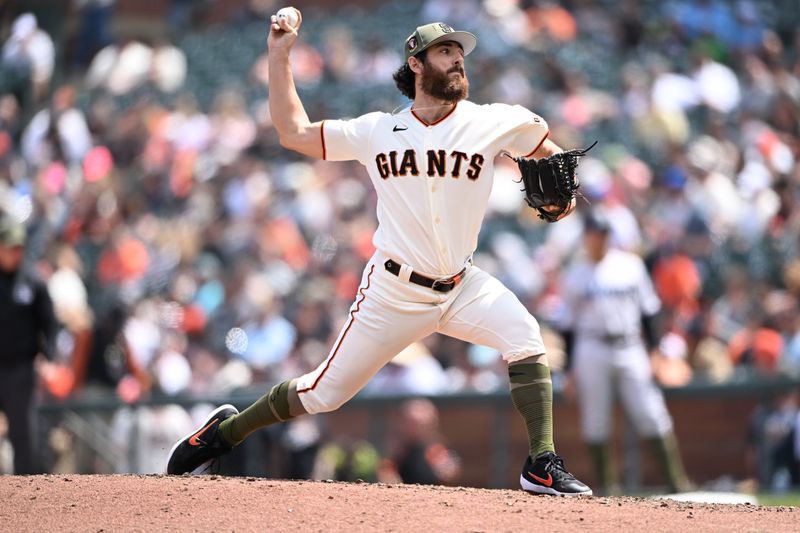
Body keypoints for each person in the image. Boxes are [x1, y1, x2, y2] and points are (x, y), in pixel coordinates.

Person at [167, 14, 591, 496]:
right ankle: (222, 433)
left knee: (526, 335)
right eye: (445, 52)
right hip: (394, 290)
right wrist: (280, 53)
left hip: (462, 283)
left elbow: (556, 163)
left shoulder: (494, 121)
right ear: (416, 63)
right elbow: (293, 132)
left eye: (460, 53)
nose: (457, 60)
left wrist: (564, 199)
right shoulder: (377, 131)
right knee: (322, 394)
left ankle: (540, 463)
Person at [559, 210, 690, 494]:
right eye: (593, 234)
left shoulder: (630, 266)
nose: (598, 240)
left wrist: (655, 351)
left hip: (630, 345)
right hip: (591, 346)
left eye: (603, 234)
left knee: (651, 413)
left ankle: (676, 484)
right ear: (585, 238)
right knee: (595, 420)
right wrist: (570, 369)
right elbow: (567, 327)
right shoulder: (575, 274)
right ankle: (608, 489)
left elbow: (649, 313)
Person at [0, 216, 57, 474]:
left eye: (19, 248)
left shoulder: (32, 281)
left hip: (20, 369)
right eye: (10, 247)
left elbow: (49, 323)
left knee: (22, 434)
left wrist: (48, 357)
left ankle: (26, 497)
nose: (16, 253)